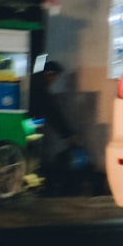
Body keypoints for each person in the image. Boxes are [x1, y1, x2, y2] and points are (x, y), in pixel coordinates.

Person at [29, 60, 87, 194]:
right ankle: (40, 184)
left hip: (31, 127)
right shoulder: (41, 92)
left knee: (38, 154)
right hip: (31, 128)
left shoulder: (37, 88)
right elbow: (54, 115)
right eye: (54, 76)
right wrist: (68, 134)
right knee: (38, 155)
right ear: (48, 74)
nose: (54, 80)